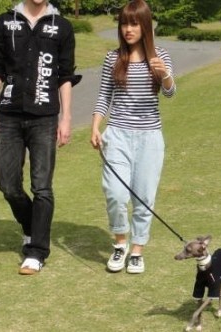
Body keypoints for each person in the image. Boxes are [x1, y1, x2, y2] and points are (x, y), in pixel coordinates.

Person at [0, 0, 80, 275]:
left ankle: (36, 251)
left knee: (42, 186)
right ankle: (30, 226)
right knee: (8, 185)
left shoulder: (61, 26)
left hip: (45, 117)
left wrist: (67, 117)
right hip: (9, 114)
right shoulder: (6, 22)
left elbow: (65, 75)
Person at [90, 0, 176, 274]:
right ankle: (120, 243)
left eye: (134, 23)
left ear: (145, 26)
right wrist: (95, 126)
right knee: (115, 193)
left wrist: (164, 76)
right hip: (117, 134)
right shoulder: (113, 58)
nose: (128, 29)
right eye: (124, 23)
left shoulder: (160, 56)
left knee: (143, 198)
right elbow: (104, 96)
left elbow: (170, 93)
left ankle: (137, 250)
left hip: (150, 137)